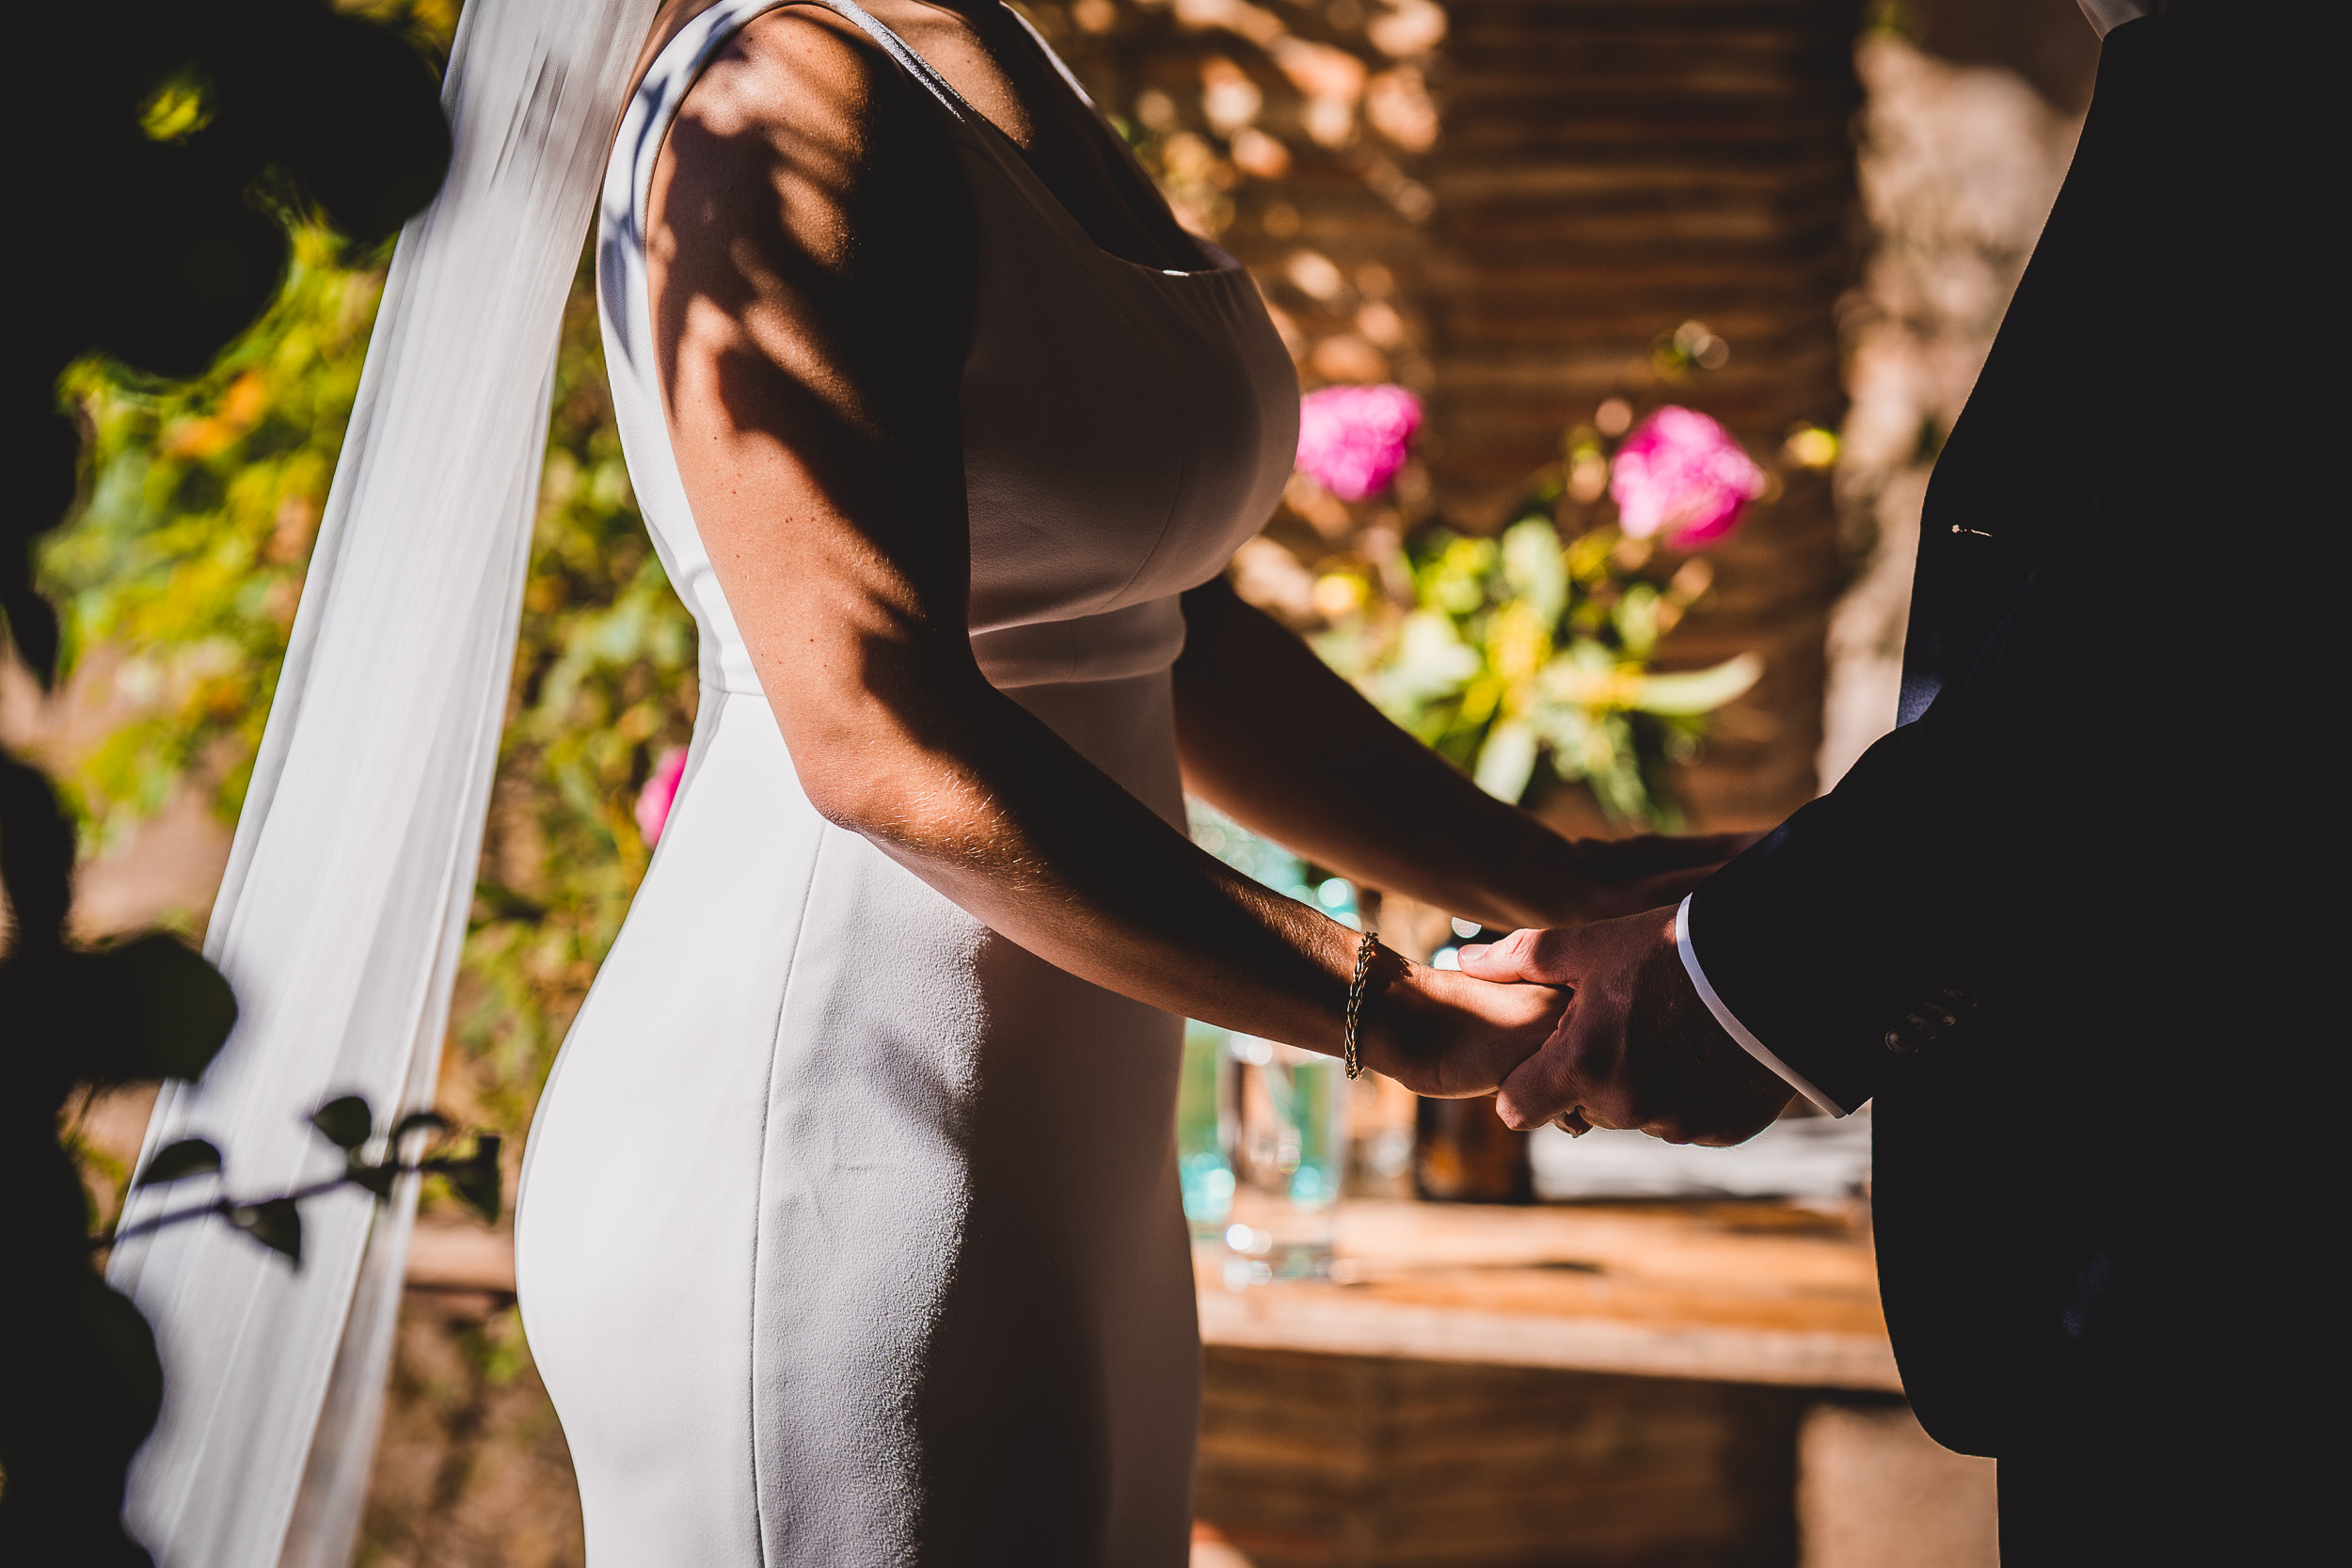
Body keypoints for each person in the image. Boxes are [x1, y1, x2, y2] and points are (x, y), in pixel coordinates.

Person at [516, 1, 1737, 1560]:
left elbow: (1159, 630)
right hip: (840, 1142)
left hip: (1071, 1155)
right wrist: (1385, 1005)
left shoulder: (981, 45)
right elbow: (877, 733)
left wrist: (1550, 882)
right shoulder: (780, 94)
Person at [1458, 2, 2313, 1559]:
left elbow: (2202, 574)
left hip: (2247, 1271)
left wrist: (1752, 970)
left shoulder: (2278, 71)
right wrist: (1723, 896)